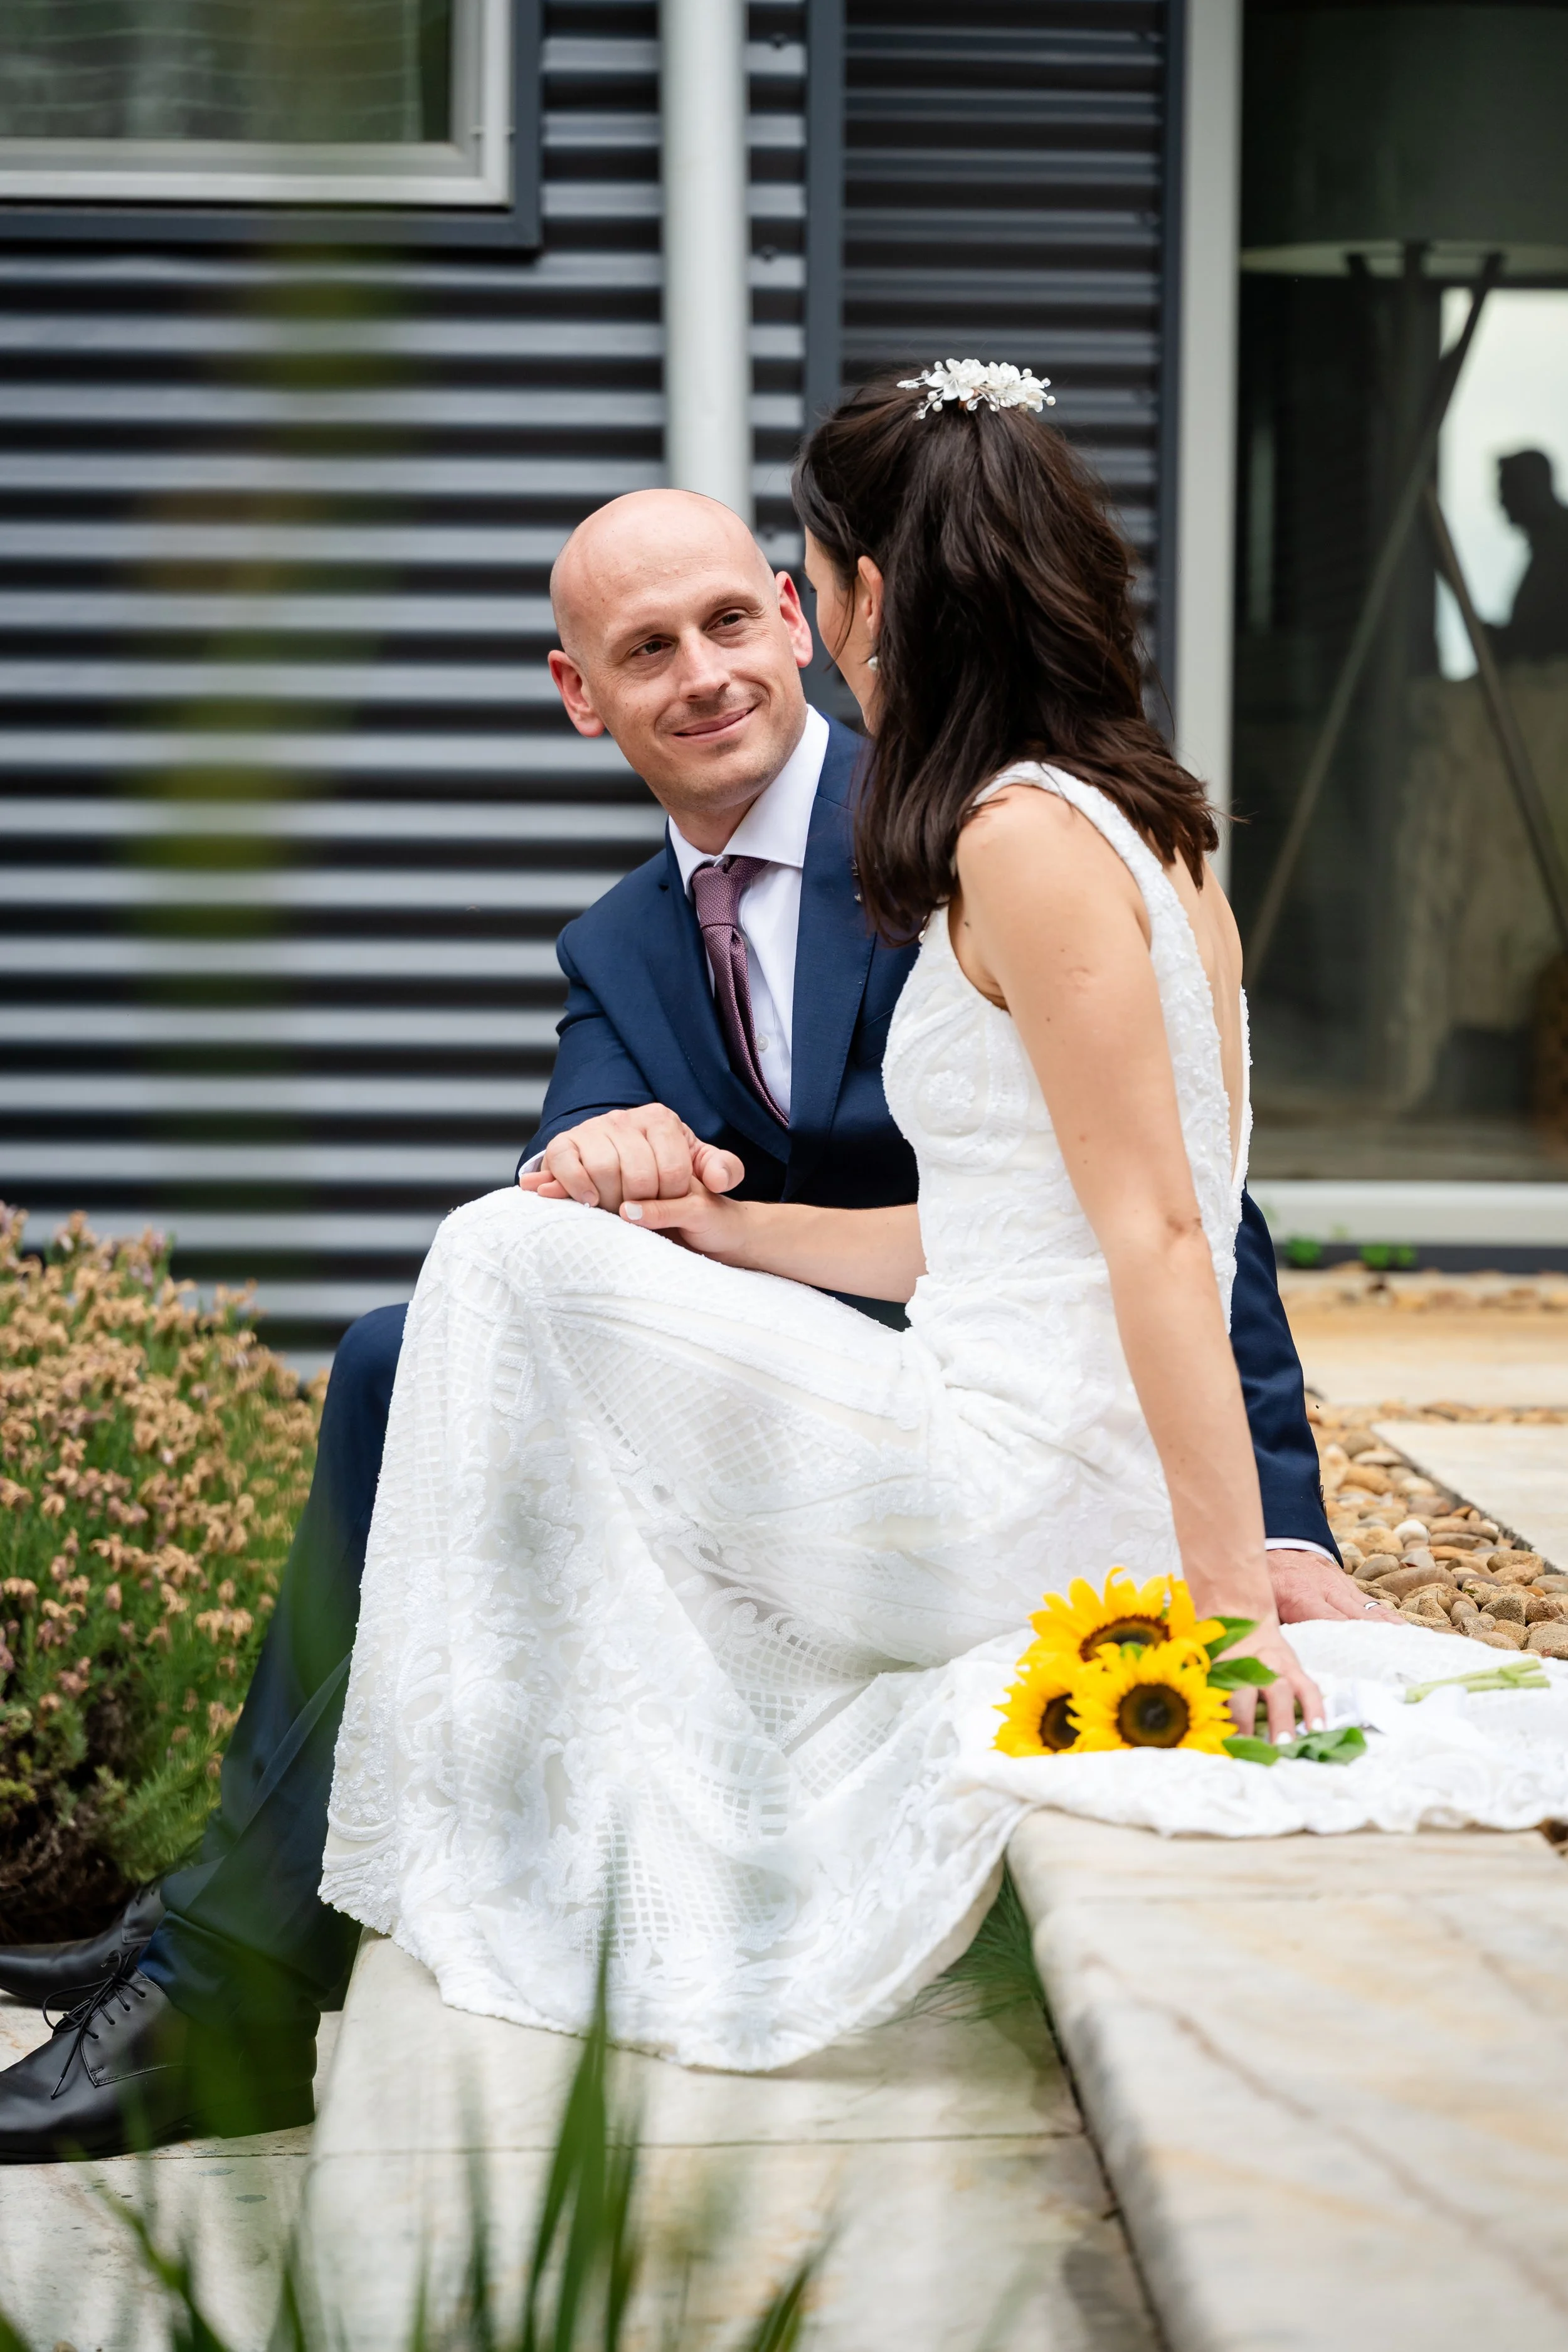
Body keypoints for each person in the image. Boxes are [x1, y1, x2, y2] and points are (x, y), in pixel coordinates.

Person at [0, 406, 1372, 2150]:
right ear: (580, 692)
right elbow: (643, 1192)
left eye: (741, 612)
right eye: (646, 647)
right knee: (422, 1330)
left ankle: (237, 1951)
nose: (707, 668)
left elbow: (1181, 1223)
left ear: (824, 610)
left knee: (445, 1310)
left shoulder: (978, 828)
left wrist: (1262, 1536)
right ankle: (236, 1922)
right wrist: (626, 1174)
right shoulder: (626, 942)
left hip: (963, 1443)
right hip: (865, 1397)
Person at [1493, 448, 1568, 667]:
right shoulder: (1548, 547)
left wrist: (1510, 642)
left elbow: (1553, 632)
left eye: (1507, 489)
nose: (1502, 501)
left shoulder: (1560, 546)